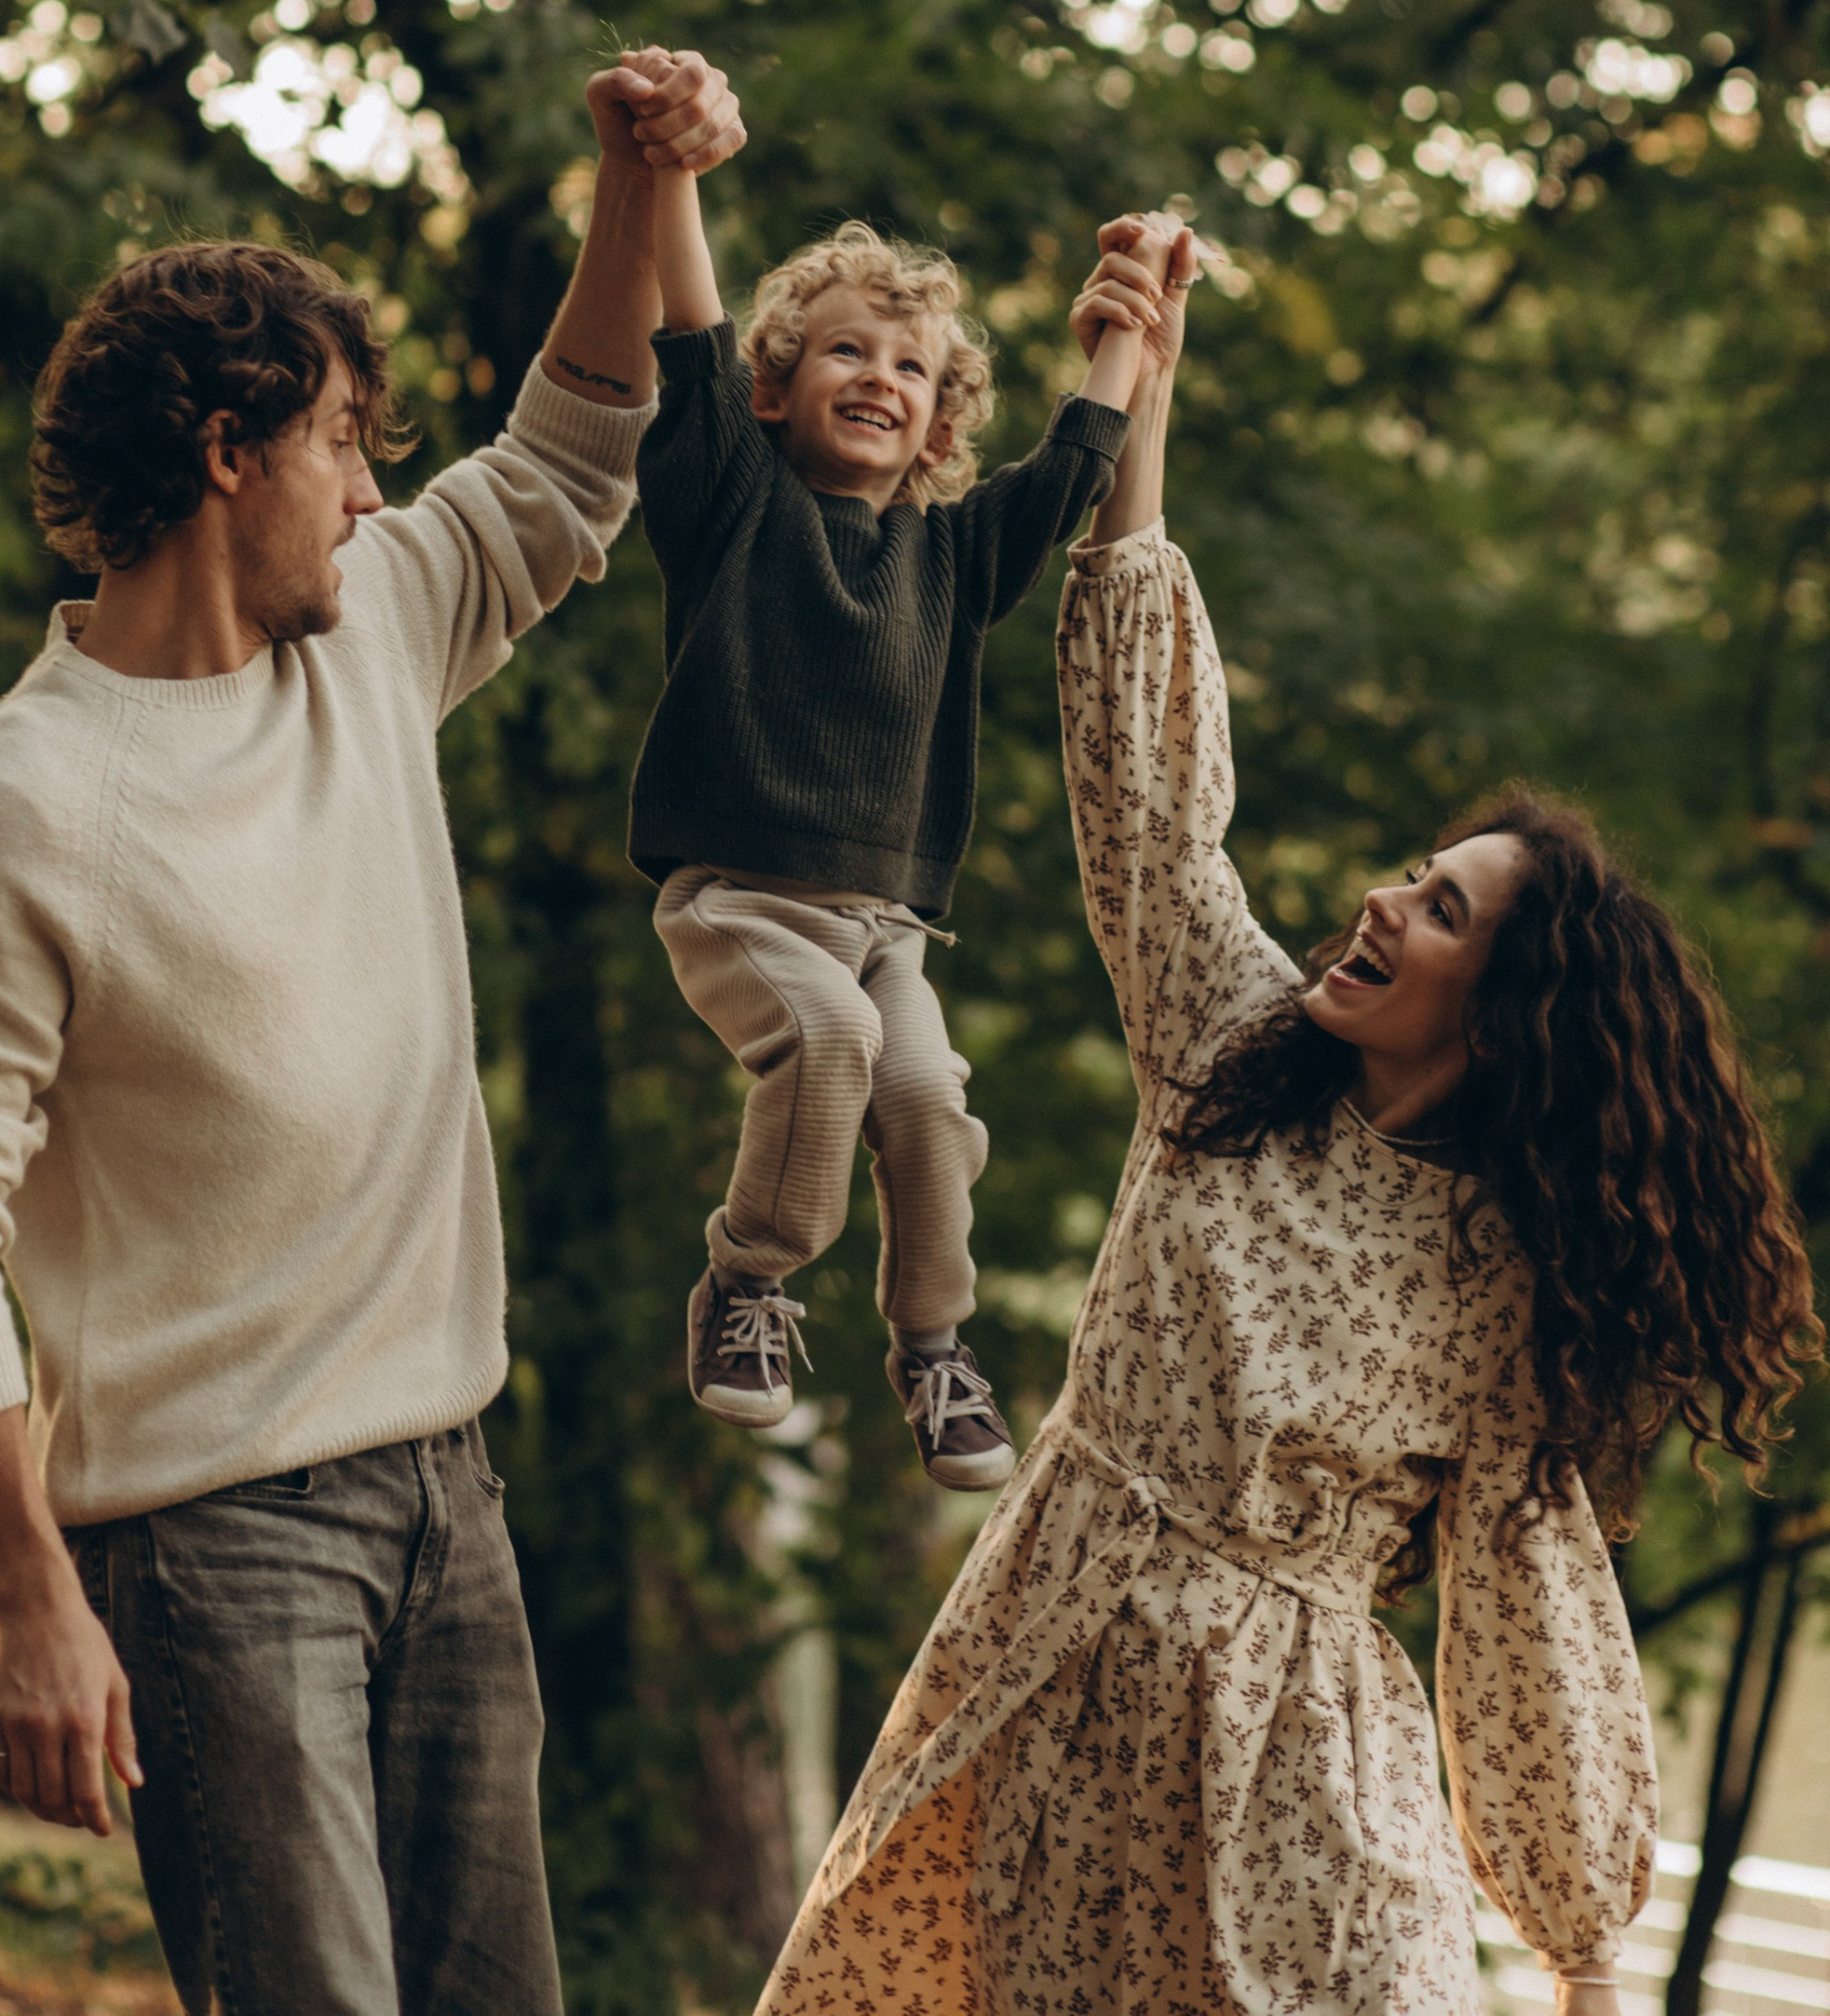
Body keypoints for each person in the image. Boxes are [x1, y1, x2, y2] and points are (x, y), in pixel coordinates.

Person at [759, 217, 1820, 2016]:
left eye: (1444, 911)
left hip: (1300, 1764)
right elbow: (1153, 791)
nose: (1389, 905)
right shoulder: (1231, 1059)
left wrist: (1576, 1941)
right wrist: (1140, 391)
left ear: (1507, 1022)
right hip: (1062, 1671)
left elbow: (1527, 1593)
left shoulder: (1505, 1273)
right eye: (1414, 873)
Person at [0, 43, 743, 2016]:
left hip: (447, 1488)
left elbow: (581, 446)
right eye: (342, 440)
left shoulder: (375, 629)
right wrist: (33, 1597)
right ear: (229, 447)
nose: (374, 484)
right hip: (207, 1553)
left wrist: (631, 180)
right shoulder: (27, 806)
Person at [624, 101, 1176, 1489]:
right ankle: (747, 1285)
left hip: (889, 930)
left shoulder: (950, 558)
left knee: (924, 1095)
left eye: (912, 367)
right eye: (846, 352)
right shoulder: (731, 499)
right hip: (738, 901)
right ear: (776, 389)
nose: (880, 375)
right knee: (826, 1043)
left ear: (938, 423)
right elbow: (684, 338)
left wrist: (1139, 313)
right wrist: (673, 167)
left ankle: (935, 1349)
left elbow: (1075, 466)